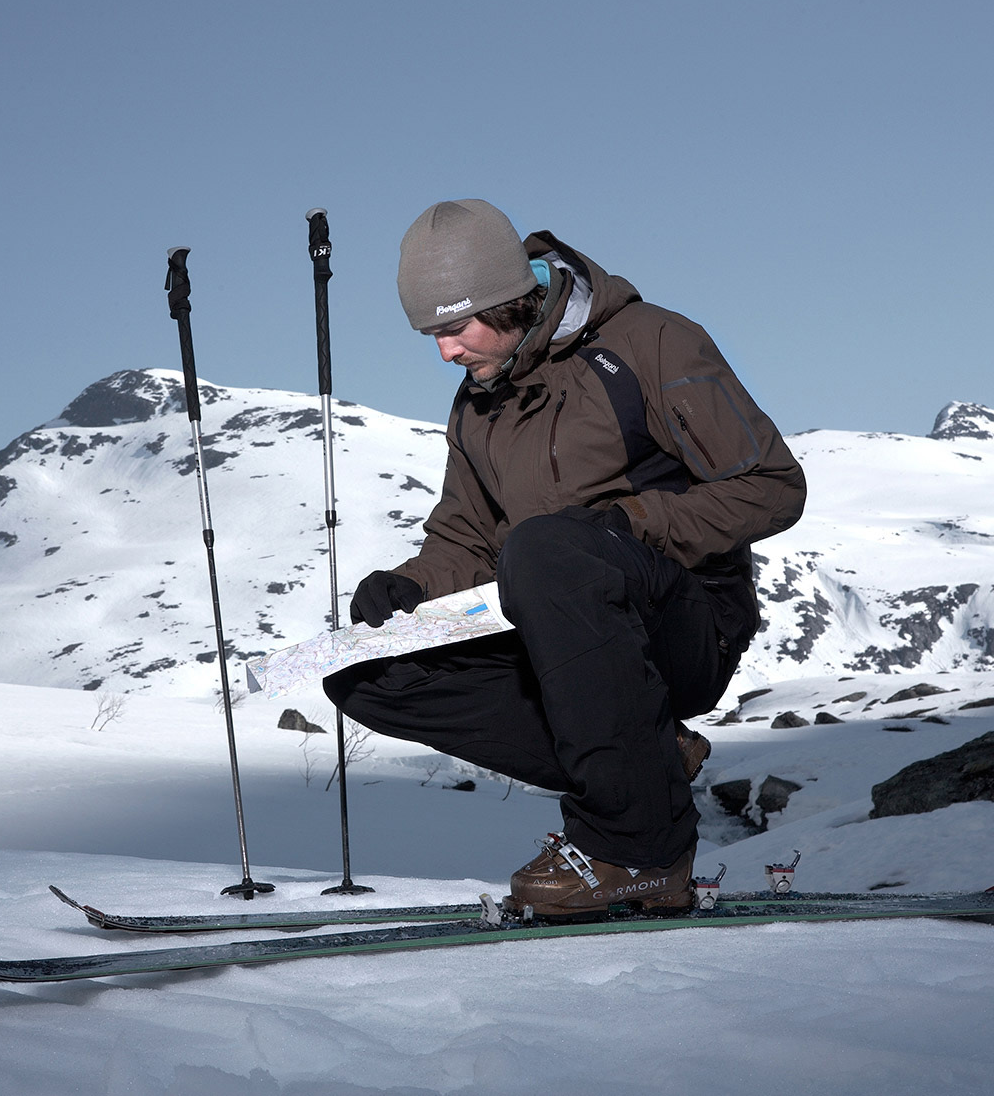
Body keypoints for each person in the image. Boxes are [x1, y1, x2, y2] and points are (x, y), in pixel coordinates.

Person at [323, 199, 806, 917]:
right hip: (567, 631)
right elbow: (467, 537)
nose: (445, 352)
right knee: (366, 675)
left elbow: (772, 489)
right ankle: (649, 760)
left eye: (453, 328)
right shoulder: (477, 405)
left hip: (688, 622)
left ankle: (638, 849)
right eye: (432, 334)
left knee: (549, 547)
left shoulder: (652, 343)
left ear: (507, 302)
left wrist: (630, 523)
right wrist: (408, 585)